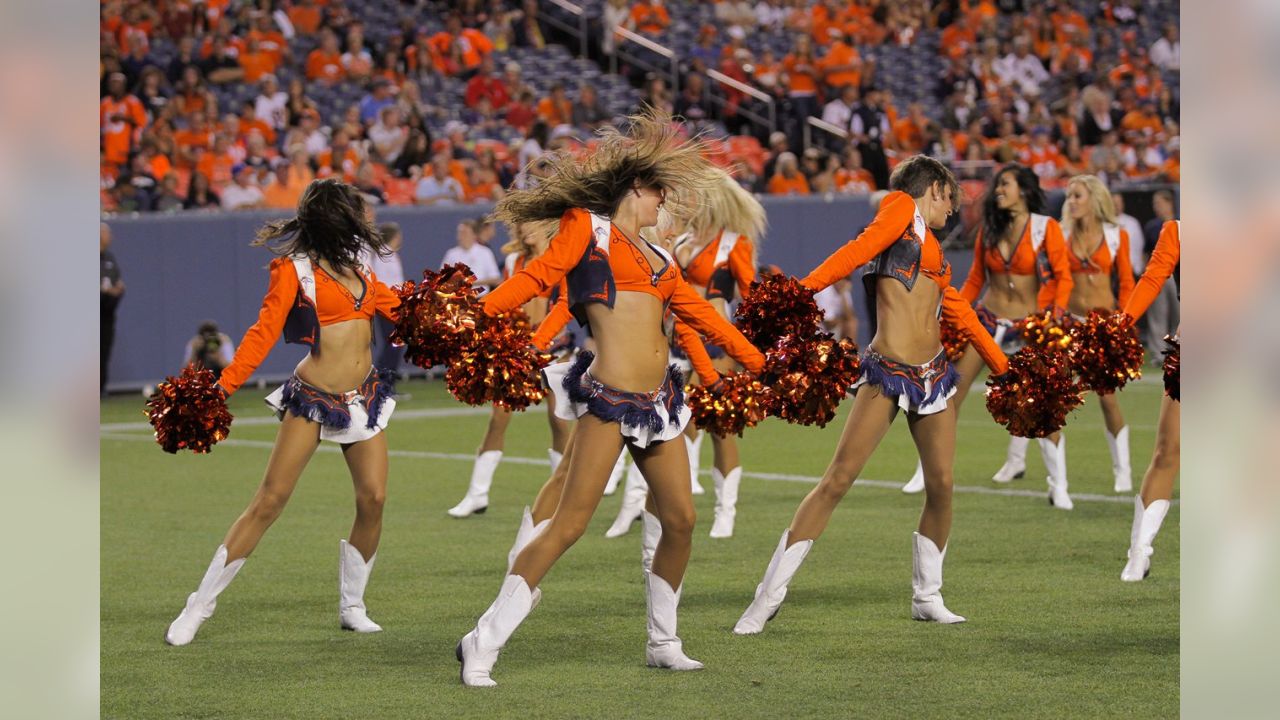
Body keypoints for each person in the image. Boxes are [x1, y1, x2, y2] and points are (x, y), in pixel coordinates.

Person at [455, 114, 765, 686]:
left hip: (661, 403)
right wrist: (473, 315)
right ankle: (485, 638)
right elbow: (537, 278)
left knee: (680, 518)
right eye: (657, 193)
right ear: (634, 190)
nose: (662, 203)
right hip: (609, 398)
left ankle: (663, 641)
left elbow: (702, 319)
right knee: (570, 523)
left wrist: (763, 364)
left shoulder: (661, 259)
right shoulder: (586, 229)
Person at [733, 156, 1007, 636]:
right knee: (837, 480)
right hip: (888, 370)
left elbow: (960, 313)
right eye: (952, 199)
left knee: (941, 485)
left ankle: (928, 595)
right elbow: (856, 251)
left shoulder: (935, 251)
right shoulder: (901, 208)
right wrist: (801, 292)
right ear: (936, 188)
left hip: (935, 375)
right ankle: (766, 599)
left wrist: (1007, 371)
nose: (954, 211)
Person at [163, 180, 401, 646]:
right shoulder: (295, 271)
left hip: (363, 398)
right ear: (337, 220)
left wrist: (463, 319)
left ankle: (352, 604)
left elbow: (403, 311)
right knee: (269, 501)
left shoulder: (362, 270)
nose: (364, 221)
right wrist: (220, 389)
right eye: (356, 214)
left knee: (373, 498)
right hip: (314, 398)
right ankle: (199, 605)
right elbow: (261, 333)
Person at [900, 164, 1072, 497]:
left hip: (1029, 327)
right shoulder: (989, 229)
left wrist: (1054, 316)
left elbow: (1063, 276)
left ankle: (1059, 485)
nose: (998, 190)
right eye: (997, 186)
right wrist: (950, 315)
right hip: (987, 321)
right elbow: (976, 278)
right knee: (950, 394)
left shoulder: (1044, 228)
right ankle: (927, 470)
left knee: (1040, 403)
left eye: (1005, 184)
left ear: (1023, 189)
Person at [447, 222, 575, 518]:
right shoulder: (513, 261)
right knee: (498, 418)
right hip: (518, 350)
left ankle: (563, 495)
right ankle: (476, 494)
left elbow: (567, 305)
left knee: (558, 421)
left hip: (554, 349)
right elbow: (505, 301)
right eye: (519, 226)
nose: (523, 230)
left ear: (546, 227)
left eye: (530, 224)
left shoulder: (561, 259)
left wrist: (549, 338)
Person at [669, 170, 766, 538]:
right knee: (682, 419)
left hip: (715, 340)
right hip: (676, 339)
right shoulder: (680, 238)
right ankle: (686, 490)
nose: (688, 201)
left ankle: (726, 509)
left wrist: (750, 346)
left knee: (719, 426)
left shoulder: (734, 244)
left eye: (695, 195)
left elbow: (751, 296)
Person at [1058, 174, 1137, 499]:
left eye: (1077, 196)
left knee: (1107, 399)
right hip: (1070, 325)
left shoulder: (1116, 235)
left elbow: (1128, 283)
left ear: (1094, 199)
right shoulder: (1061, 235)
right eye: (1069, 196)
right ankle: (1057, 482)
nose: (1071, 202)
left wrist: (1125, 321)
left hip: (1103, 327)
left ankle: (1123, 471)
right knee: (1055, 399)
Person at [1118, 220, 1179, 581]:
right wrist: (1121, 324)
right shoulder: (1180, 231)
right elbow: (1153, 278)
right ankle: (1138, 552)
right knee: (1166, 452)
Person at [366, 222, 407, 376]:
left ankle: (386, 383)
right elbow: (384, 284)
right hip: (388, 306)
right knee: (393, 344)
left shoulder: (388, 254)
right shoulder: (384, 255)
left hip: (393, 304)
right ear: (395, 237)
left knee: (394, 344)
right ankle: (380, 382)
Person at [101, 223, 126, 394]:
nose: (110, 237)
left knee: (104, 350)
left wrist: (117, 289)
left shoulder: (109, 258)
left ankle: (100, 389)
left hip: (107, 312)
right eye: (107, 233)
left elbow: (117, 281)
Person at [442, 218, 502, 288]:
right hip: (458, 297)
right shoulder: (451, 254)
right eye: (460, 232)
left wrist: (470, 282)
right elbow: (443, 278)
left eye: (465, 233)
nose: (461, 236)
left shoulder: (485, 252)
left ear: (474, 235)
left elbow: (495, 278)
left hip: (480, 297)